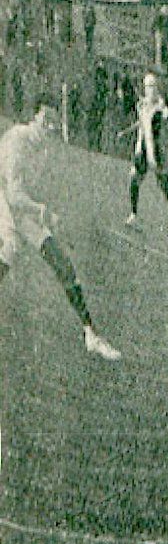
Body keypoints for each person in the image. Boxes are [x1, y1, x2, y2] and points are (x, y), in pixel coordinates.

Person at [0, 99, 122, 359]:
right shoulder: (17, 141)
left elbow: (32, 192)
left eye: (54, 121)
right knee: (10, 248)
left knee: (62, 263)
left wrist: (48, 216)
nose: (50, 125)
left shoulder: (43, 149)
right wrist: (42, 211)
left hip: (21, 205)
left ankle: (91, 334)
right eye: (46, 119)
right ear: (34, 117)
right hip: (3, 197)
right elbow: (13, 194)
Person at [126, 73, 168, 234]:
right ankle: (134, 214)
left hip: (157, 151)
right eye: (147, 86)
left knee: (165, 186)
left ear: (157, 88)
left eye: (152, 86)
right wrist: (133, 139)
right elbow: (142, 124)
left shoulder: (161, 108)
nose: (150, 89)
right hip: (143, 148)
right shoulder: (142, 105)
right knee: (134, 179)